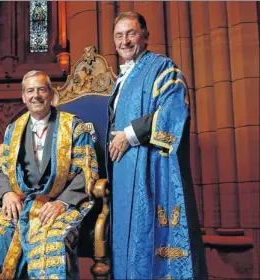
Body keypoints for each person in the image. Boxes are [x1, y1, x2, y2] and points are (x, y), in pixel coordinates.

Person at [105, 11, 208, 279]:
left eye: (131, 33)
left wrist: (129, 134)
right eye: (119, 35)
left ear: (146, 36)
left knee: (147, 235)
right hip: (124, 172)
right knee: (126, 240)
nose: (124, 41)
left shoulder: (162, 68)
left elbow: (174, 110)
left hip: (151, 169)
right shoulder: (121, 79)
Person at [0, 70, 98, 279]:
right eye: (30, 90)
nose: (36, 95)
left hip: (57, 204)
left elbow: (87, 171)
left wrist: (63, 203)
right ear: (23, 97)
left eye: (41, 89)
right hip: (21, 203)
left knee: (48, 246)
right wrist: (6, 195)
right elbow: (1, 169)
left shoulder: (74, 126)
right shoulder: (13, 129)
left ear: (51, 94)